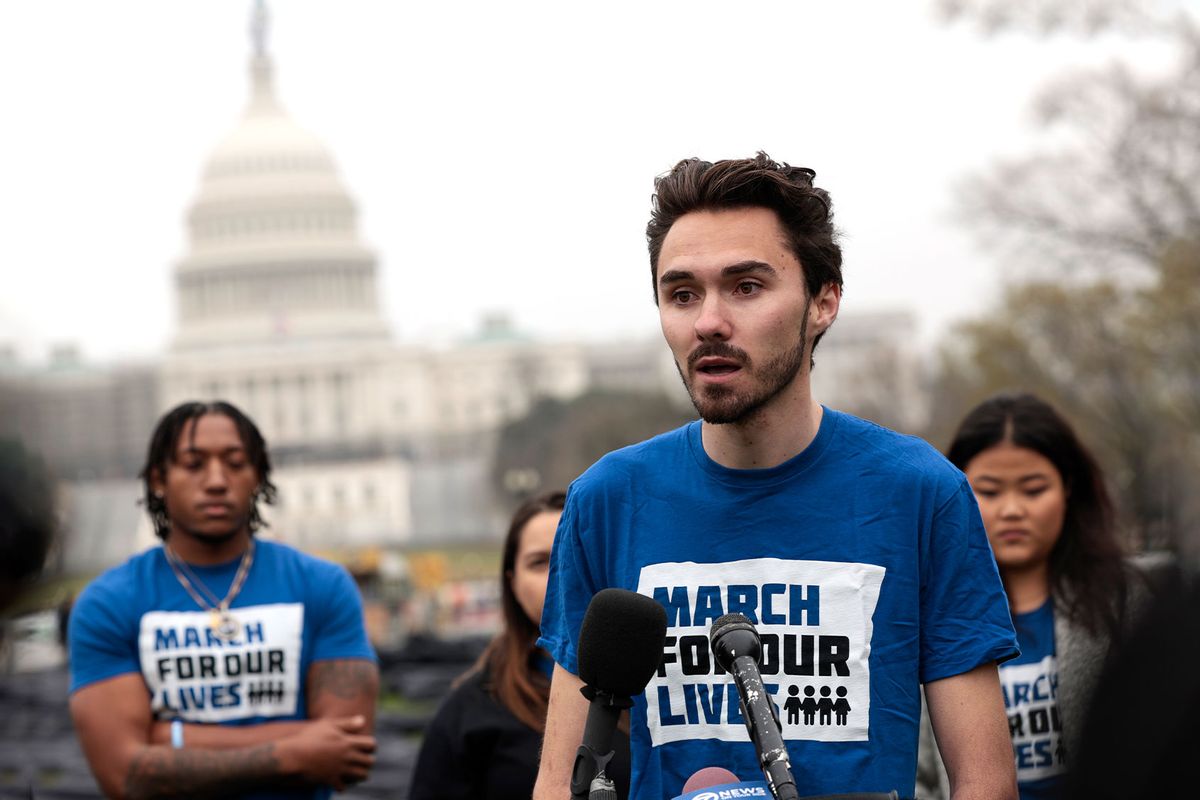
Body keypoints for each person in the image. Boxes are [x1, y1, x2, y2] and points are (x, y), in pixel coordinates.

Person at [533, 153, 1019, 800]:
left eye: (746, 287)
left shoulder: (922, 493)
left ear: (824, 301)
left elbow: (985, 782)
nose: (707, 320)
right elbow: (560, 780)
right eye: (682, 294)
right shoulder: (606, 500)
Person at [68, 401, 379, 799]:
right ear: (159, 479)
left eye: (235, 463)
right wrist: (295, 751)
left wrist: (171, 737)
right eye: (194, 464)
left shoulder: (323, 585)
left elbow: (348, 753)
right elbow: (125, 777)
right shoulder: (108, 603)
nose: (216, 480)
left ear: (258, 477)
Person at [917, 393, 1147, 800]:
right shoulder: (927, 611)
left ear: (1068, 488)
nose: (1011, 510)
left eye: (1033, 489)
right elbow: (916, 769)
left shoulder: (1129, 603)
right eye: (988, 491)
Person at [410, 490, 631, 799]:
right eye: (540, 562)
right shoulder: (472, 707)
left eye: (575, 555)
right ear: (511, 582)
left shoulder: (664, 685)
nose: (561, 575)